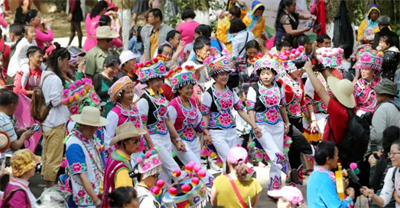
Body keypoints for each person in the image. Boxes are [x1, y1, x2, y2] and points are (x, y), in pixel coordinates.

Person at [201, 55, 261, 166]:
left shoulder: (230, 91)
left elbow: (241, 110)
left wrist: (254, 126)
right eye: (221, 74)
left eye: (226, 74)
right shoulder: (208, 94)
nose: (224, 77)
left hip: (232, 131)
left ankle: (227, 182)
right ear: (214, 76)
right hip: (217, 132)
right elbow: (205, 115)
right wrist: (206, 133)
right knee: (230, 160)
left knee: (232, 161)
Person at [137, 55, 185, 186]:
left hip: (165, 138)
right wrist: (151, 144)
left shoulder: (162, 97)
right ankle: (190, 190)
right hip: (155, 139)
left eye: (160, 79)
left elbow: (168, 120)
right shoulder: (143, 101)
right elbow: (143, 127)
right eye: (154, 79)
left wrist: (178, 139)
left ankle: (166, 201)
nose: (158, 82)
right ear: (148, 81)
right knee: (173, 167)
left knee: (164, 174)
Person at [167, 66, 214, 186]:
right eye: (187, 88)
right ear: (179, 89)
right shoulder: (173, 106)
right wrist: (176, 141)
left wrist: (206, 134)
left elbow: (199, 121)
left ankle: (198, 193)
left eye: (191, 88)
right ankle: (214, 184)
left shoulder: (192, 102)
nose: (190, 91)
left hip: (193, 140)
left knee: (195, 168)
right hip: (181, 143)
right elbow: (168, 127)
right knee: (196, 166)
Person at [247, 55, 289, 189]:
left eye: (268, 73)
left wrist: (286, 123)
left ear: (274, 74)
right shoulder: (253, 88)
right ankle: (286, 168)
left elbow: (282, 105)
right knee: (274, 151)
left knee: (276, 156)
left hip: (278, 124)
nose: (266, 76)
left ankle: (274, 188)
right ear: (259, 74)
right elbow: (250, 109)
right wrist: (254, 127)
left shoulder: (279, 86)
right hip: (261, 125)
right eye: (263, 73)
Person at [277, 49, 314, 183]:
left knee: (294, 149)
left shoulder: (299, 80)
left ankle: (294, 177)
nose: (300, 70)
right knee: (299, 142)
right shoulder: (281, 81)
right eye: (297, 68)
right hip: (287, 120)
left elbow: (302, 100)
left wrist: (309, 118)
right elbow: (280, 104)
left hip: (298, 118)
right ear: (288, 67)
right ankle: (314, 157)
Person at [304, 57, 355, 144]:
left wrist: (309, 70)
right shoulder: (350, 107)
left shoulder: (338, 109)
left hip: (331, 145)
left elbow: (320, 90)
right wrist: (322, 69)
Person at [40, 44, 71, 188]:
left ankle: (48, 186)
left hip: (47, 121)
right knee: (54, 157)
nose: (67, 64)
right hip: (55, 122)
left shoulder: (45, 74)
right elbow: (55, 101)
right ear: (59, 59)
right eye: (66, 61)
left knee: (47, 155)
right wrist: (72, 98)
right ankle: (49, 188)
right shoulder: (55, 79)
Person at [65, 106, 108, 208]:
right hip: (88, 200)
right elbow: (82, 176)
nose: (94, 130)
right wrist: (96, 200)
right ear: (82, 124)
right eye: (91, 127)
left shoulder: (91, 138)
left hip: (99, 192)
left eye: (95, 127)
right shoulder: (74, 144)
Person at [105, 76, 154, 157]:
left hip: (139, 150)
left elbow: (141, 129)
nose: (131, 95)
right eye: (128, 93)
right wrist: (114, 155)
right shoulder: (114, 113)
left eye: (132, 92)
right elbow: (109, 137)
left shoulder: (135, 110)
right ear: (120, 95)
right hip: (123, 152)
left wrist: (146, 144)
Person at [103, 123, 147, 208]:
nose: (138, 144)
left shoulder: (113, 155)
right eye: (135, 141)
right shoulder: (122, 169)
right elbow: (125, 201)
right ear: (124, 143)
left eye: (139, 140)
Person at [307, 141, 355, 207]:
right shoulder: (325, 180)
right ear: (328, 159)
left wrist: (342, 189)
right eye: (336, 155)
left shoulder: (314, 174)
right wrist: (350, 198)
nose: (338, 158)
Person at [361, 139, 400, 207]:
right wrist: (373, 196)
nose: (391, 156)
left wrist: (397, 199)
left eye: (394, 153)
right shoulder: (392, 172)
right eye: (390, 153)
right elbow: (383, 201)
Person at [370, 79, 400, 152]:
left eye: (378, 92)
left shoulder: (383, 108)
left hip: (384, 151)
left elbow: (377, 136)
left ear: (385, 94)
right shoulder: (397, 106)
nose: (376, 94)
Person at [353, 48, 383, 115]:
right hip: (362, 114)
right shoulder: (357, 85)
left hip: (379, 112)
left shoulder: (381, 83)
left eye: (366, 69)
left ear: (373, 70)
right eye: (362, 69)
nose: (363, 71)